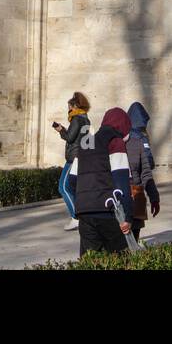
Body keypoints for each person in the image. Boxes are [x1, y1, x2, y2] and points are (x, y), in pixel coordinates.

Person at [68, 106, 134, 256]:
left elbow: (71, 182)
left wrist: (84, 200)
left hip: (84, 213)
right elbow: (122, 183)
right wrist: (128, 217)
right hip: (108, 212)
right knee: (120, 259)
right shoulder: (115, 142)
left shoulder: (86, 142)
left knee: (90, 262)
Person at [52, 91, 90, 230]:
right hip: (82, 157)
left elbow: (69, 138)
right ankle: (82, 216)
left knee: (63, 187)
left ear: (74, 106)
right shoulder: (86, 119)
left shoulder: (77, 119)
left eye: (69, 107)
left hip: (73, 159)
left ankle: (76, 217)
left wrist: (61, 130)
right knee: (75, 188)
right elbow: (87, 141)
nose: (68, 110)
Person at [126, 102, 160, 242]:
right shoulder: (141, 137)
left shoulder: (122, 135)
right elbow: (147, 166)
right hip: (136, 191)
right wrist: (154, 198)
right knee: (134, 232)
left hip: (120, 193)